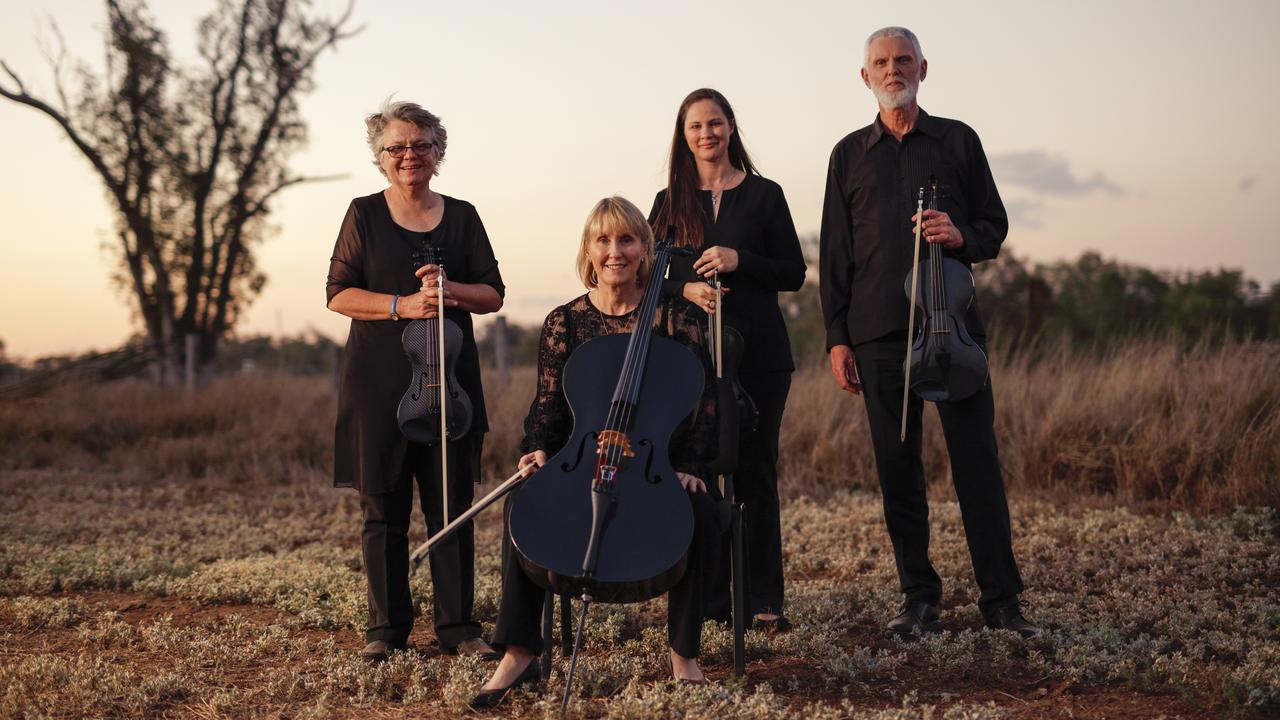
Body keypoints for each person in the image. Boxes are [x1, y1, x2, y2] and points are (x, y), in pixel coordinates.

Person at [819, 27, 1039, 639]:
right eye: (881, 63)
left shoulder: (958, 140)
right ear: (866, 77)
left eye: (904, 61)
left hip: (954, 332)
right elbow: (836, 256)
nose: (894, 71)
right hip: (878, 335)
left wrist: (960, 233)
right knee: (898, 471)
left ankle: (1002, 602)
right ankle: (918, 597)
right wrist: (838, 337)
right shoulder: (846, 154)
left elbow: (994, 225)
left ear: (923, 68)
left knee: (977, 466)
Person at [471, 197, 720, 708]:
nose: (615, 252)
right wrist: (537, 450)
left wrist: (689, 465)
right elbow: (547, 408)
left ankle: (683, 655)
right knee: (523, 502)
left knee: (702, 511)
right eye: (603, 240)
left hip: (656, 464)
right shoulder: (565, 321)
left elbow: (704, 404)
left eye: (627, 239)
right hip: (586, 460)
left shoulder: (675, 319)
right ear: (588, 249)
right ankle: (519, 653)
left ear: (645, 250)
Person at [326, 100, 504, 662]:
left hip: (447, 384)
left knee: (451, 505)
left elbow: (493, 294)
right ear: (380, 157)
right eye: (396, 147)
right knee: (383, 510)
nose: (409, 155)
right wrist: (404, 303)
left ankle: (459, 629)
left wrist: (448, 292)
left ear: (438, 152)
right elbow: (338, 295)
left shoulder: (463, 216)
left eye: (421, 145)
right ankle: (387, 631)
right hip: (377, 384)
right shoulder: (362, 215)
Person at [649, 88, 806, 631]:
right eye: (695, 126)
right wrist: (686, 288)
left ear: (732, 127)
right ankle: (711, 599)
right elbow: (648, 278)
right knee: (700, 474)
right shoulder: (668, 202)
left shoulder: (765, 195)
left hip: (760, 355)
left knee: (757, 472)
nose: (706, 134)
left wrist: (741, 260)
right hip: (690, 359)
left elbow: (793, 271)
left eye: (715, 123)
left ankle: (764, 599)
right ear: (683, 135)